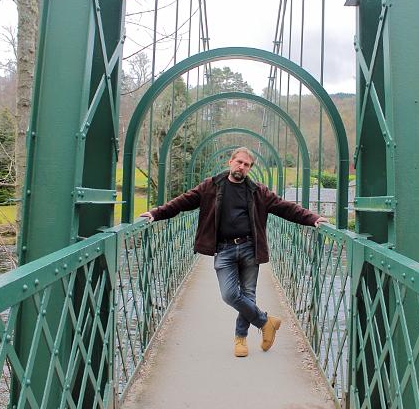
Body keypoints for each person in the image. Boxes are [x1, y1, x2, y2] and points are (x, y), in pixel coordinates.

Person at [140, 146, 327, 358]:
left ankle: (240, 339)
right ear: (230, 162)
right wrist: (156, 213)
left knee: (248, 295)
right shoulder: (211, 186)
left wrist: (312, 218)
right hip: (224, 249)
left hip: (249, 247)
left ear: (250, 168)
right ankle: (266, 322)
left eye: (246, 164)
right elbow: (182, 202)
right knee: (229, 294)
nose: (241, 167)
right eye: (239, 162)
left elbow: (285, 207)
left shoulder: (258, 191)